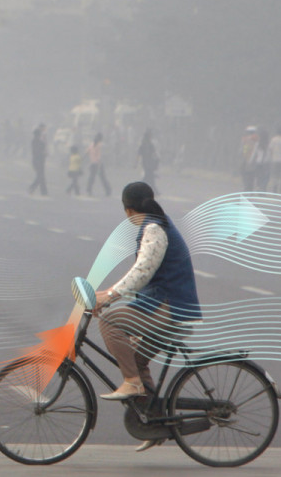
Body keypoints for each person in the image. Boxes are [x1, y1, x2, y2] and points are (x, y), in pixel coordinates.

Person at [94, 182, 202, 451]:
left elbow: (143, 272)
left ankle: (131, 383)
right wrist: (109, 293)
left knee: (109, 321)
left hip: (173, 309)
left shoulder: (154, 229)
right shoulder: (155, 224)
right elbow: (144, 278)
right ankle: (155, 424)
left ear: (128, 210)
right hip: (166, 306)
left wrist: (110, 296)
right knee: (137, 360)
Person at [86, 132, 112, 198]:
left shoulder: (92, 144)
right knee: (103, 178)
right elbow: (100, 156)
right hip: (98, 164)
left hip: (92, 163)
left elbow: (87, 152)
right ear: (101, 138)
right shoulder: (100, 145)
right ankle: (108, 190)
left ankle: (89, 190)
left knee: (91, 177)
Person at [28, 124, 48, 196]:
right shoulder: (36, 142)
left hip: (39, 161)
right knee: (41, 176)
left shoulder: (37, 141)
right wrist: (43, 153)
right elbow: (37, 151)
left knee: (41, 176)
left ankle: (43, 191)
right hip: (38, 161)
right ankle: (35, 188)